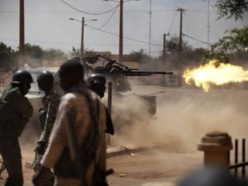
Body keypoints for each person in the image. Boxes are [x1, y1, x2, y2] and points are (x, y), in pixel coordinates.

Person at [32, 57, 111, 186]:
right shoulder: (96, 101)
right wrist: (101, 172)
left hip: (70, 171)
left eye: (63, 79)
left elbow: (58, 139)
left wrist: (42, 169)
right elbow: (100, 141)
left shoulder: (69, 100)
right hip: (91, 168)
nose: (61, 83)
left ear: (72, 78)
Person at [0, 70, 34, 186]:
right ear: (22, 84)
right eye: (28, 84)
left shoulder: (8, 91)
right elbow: (29, 110)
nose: (29, 88)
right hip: (6, 138)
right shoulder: (15, 94)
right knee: (16, 178)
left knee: (14, 176)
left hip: (6, 137)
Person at [33, 70, 60, 186]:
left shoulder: (52, 98)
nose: (39, 85)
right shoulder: (48, 97)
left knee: (40, 167)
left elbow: (49, 120)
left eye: (41, 82)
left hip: (54, 138)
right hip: (51, 136)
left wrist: (42, 141)